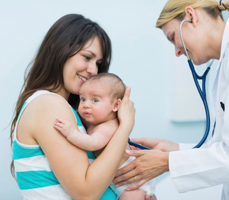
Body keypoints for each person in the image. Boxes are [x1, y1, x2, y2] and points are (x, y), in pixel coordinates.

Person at [113, 0, 229, 199]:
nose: (177, 51)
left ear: (191, 16)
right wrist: (175, 150)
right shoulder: (228, 60)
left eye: (172, 38)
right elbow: (227, 146)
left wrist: (166, 162)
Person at [10, 14, 136, 200]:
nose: (93, 70)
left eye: (98, 63)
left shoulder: (66, 109)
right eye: (87, 57)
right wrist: (125, 126)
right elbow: (87, 193)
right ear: (58, 50)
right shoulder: (49, 104)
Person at [53, 73, 155, 200]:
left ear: (116, 105)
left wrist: (70, 133)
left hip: (132, 185)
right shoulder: (95, 123)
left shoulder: (109, 126)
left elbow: (93, 143)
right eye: (83, 99)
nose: (86, 104)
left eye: (95, 100)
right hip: (120, 182)